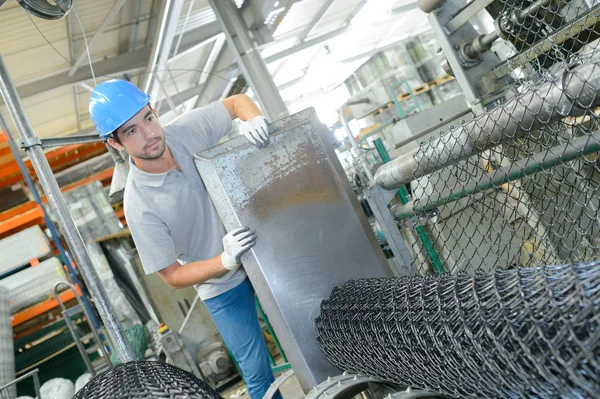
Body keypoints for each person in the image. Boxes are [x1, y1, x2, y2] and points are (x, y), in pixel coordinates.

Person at [88, 79, 282, 399]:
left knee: (309, 328)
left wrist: (255, 119)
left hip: (264, 252)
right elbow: (172, 276)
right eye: (131, 131)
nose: (149, 134)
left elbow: (237, 103)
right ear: (115, 143)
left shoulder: (184, 131)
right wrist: (225, 260)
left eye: (148, 119)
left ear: (155, 111)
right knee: (258, 372)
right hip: (221, 286)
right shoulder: (139, 205)